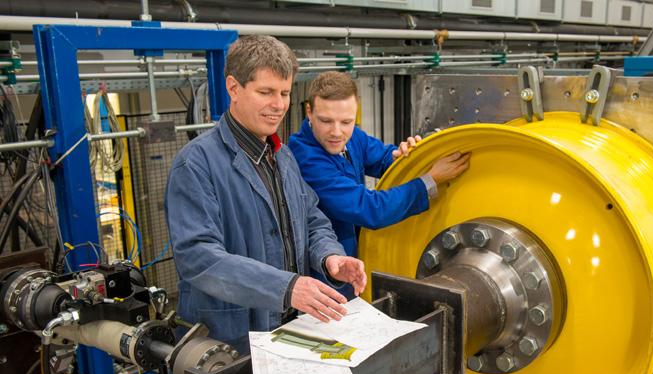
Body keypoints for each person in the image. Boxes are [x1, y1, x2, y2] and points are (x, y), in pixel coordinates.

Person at [165, 36, 367, 355]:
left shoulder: (282, 157)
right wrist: (285, 288)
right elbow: (197, 256)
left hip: (289, 329)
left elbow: (312, 220)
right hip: (230, 339)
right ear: (233, 88)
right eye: (266, 92)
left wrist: (331, 257)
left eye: (285, 93)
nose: (278, 105)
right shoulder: (196, 164)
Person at [289, 71, 469, 299]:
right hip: (327, 272)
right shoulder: (305, 157)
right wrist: (431, 179)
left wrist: (408, 156)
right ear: (309, 113)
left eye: (346, 121)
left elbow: (384, 158)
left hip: (354, 263)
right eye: (326, 121)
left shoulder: (352, 137)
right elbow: (369, 209)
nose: (336, 132)